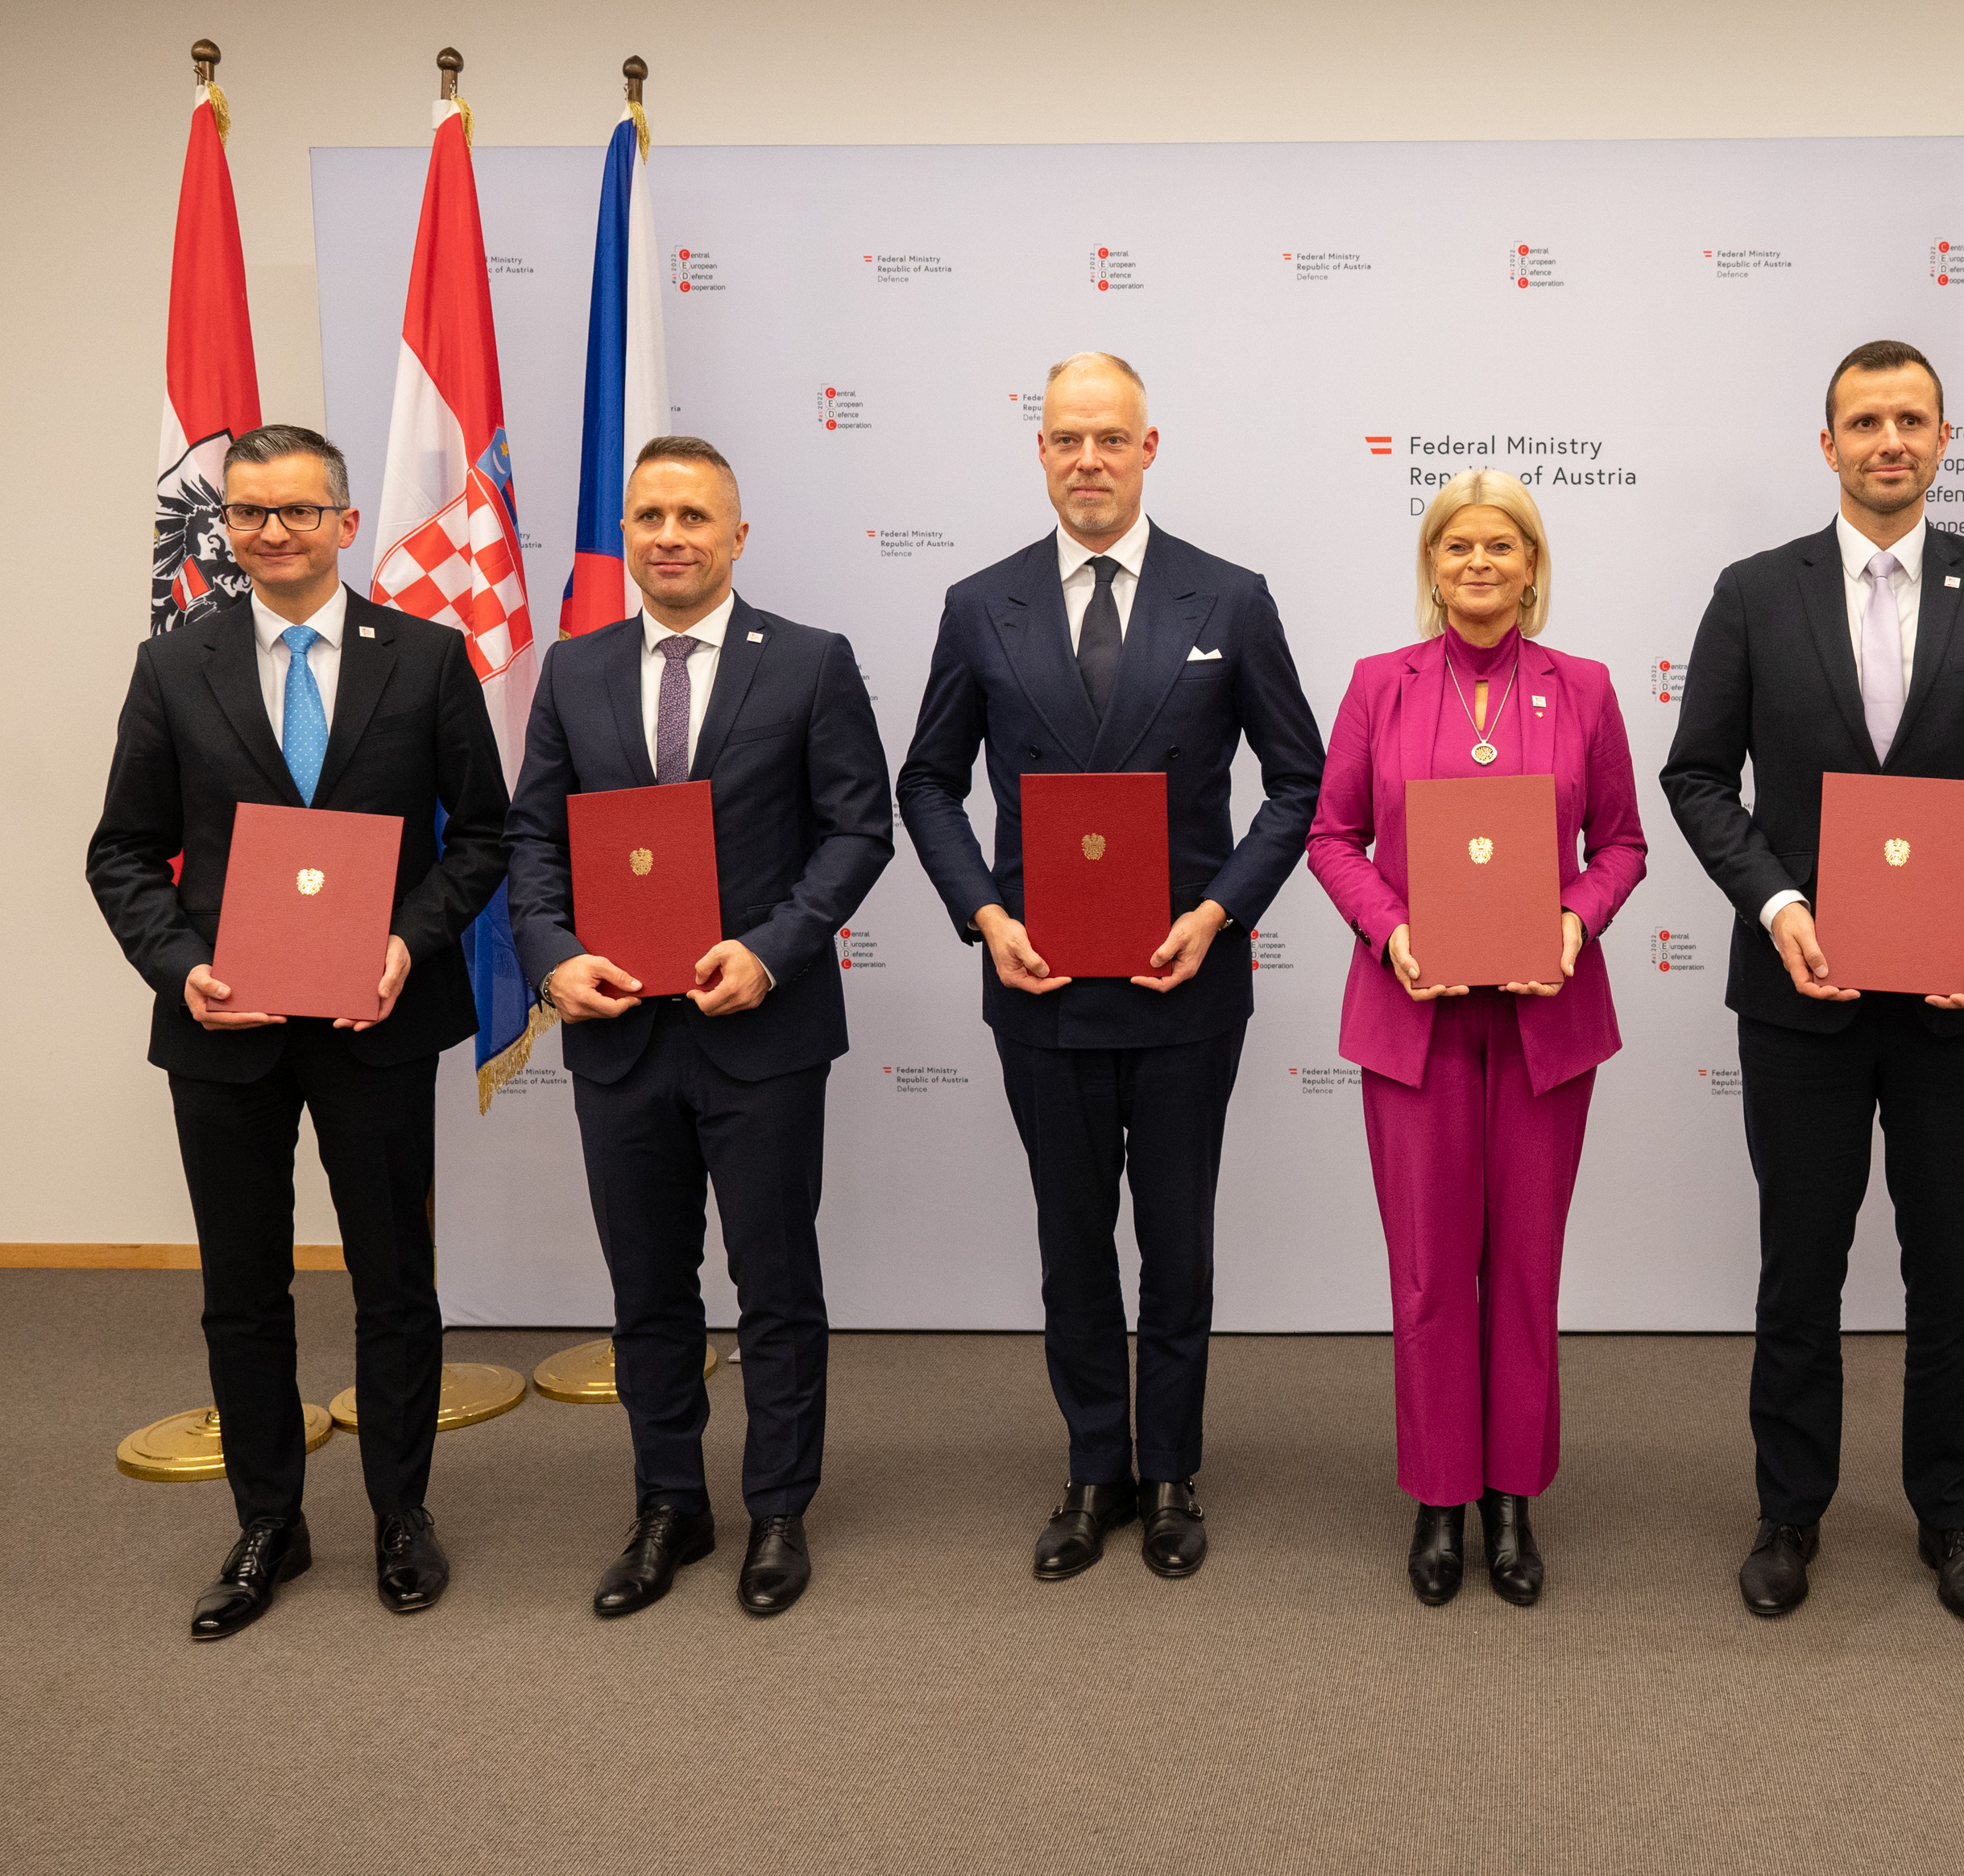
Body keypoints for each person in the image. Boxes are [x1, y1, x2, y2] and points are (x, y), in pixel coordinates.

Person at [1660, 341, 1964, 1625]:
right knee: (1800, 1265)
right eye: (1865, 421)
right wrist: (1778, 901)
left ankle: (1953, 1517)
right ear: (1829, 444)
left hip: (1960, 995)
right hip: (1802, 995)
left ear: (1943, 439)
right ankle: (1788, 1509)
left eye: (1911, 419)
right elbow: (1697, 776)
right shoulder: (1754, 592)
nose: (1889, 440)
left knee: (1949, 1267)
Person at [898, 353, 1324, 1582]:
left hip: (1186, 984)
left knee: (1178, 1243)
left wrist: (1222, 911)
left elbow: (1298, 780)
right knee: (1073, 1242)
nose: (1088, 458)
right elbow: (926, 781)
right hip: (1040, 983)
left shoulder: (1229, 599)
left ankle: (1173, 1469)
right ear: (1040, 451)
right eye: (1066, 438)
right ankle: (1095, 1467)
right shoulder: (980, 604)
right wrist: (985, 915)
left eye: (1109, 437)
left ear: (1149, 448)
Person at [86, 423, 511, 1639]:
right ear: (227, 525)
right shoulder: (175, 664)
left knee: (395, 1282)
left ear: (345, 523)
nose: (273, 532)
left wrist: (409, 940)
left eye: (298, 511)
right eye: (250, 513)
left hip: (379, 1017)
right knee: (243, 1289)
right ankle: (268, 1518)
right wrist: (185, 968)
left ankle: (400, 1514)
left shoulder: (428, 657)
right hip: (228, 1027)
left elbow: (484, 834)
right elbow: (123, 851)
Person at [506, 436, 892, 1620]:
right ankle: (670, 1502)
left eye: (693, 516)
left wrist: (773, 950)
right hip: (620, 1034)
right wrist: (553, 957)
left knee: (774, 1281)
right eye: (649, 516)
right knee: (647, 1288)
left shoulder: (812, 662)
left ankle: (778, 1507)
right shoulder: (574, 669)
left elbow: (858, 829)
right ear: (626, 533)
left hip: (760, 1028)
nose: (669, 536)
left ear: (737, 535)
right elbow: (534, 839)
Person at [1305, 471, 1647, 1607]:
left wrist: (1573, 922)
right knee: (1431, 1273)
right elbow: (1333, 835)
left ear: (1532, 565)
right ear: (1432, 565)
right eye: (1458, 545)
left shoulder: (1584, 687)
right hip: (1417, 1020)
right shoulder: (1380, 685)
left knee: (1526, 1269)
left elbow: (1623, 845)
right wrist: (1392, 930)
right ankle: (1441, 1496)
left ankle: (1512, 1498)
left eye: (1502, 545)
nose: (1480, 563)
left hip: (1545, 1022)